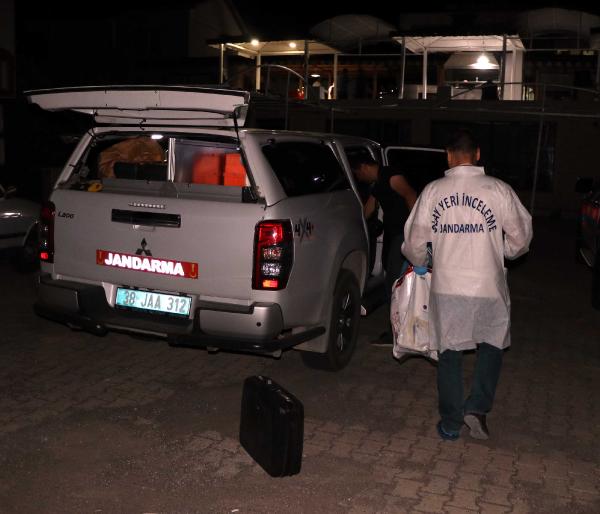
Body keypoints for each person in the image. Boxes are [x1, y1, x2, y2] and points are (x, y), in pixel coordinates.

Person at [401, 129, 533, 441]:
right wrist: (503, 253)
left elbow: (415, 239)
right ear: (477, 155)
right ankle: (477, 409)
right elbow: (521, 237)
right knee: (491, 346)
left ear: (448, 156)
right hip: (488, 285)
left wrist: (420, 260)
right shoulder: (499, 190)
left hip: (448, 286)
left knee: (449, 352)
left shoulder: (433, 191)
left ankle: (450, 423)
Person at [352, 156, 417, 345]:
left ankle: (396, 333)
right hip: (392, 235)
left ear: (364, 167)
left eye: (357, 173)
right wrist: (356, 225)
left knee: (394, 282)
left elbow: (411, 195)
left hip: (403, 234)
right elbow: (370, 207)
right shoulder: (377, 184)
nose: (358, 178)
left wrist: (413, 229)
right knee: (392, 280)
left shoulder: (391, 176)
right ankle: (396, 330)